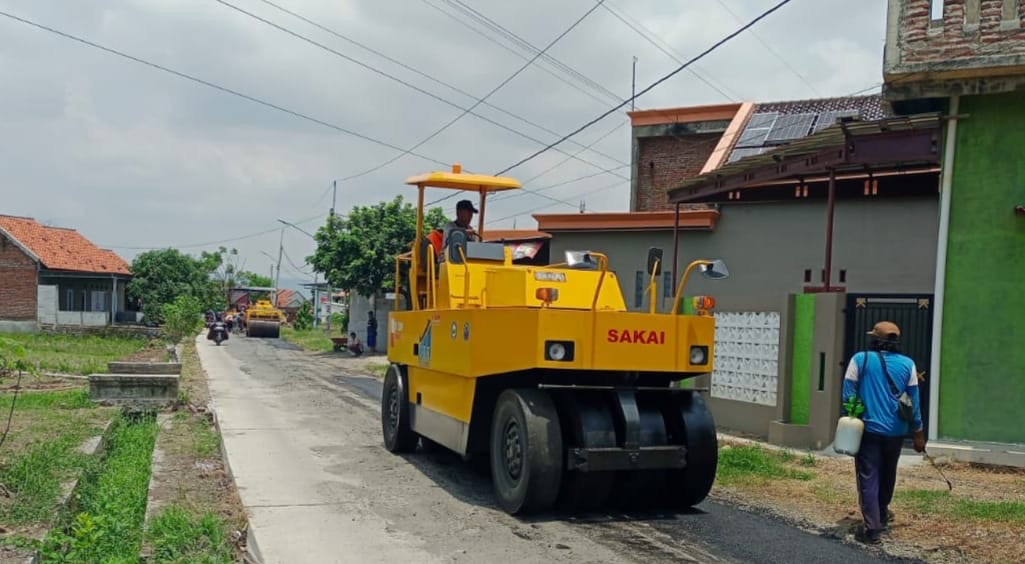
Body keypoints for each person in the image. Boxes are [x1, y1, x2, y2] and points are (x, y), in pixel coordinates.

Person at [842, 321, 925, 545]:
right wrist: (918, 432)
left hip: (868, 430)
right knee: (888, 473)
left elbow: (848, 395)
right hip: (896, 432)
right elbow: (913, 402)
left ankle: (872, 529)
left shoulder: (860, 359)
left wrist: (853, 416)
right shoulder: (908, 365)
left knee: (868, 476)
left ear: (874, 340)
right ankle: (882, 512)